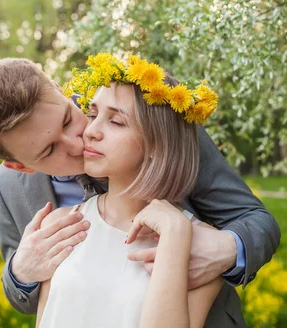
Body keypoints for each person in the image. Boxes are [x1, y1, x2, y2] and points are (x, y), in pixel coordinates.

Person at [0, 55, 281, 327]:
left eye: (68, 119)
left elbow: (255, 219)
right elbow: (30, 299)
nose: (81, 139)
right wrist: (21, 272)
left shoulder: (143, 119)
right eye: (50, 150)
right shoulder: (11, 187)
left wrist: (221, 249)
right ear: (20, 166)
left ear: (57, 89)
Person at [37, 56, 226, 327]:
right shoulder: (60, 225)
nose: (91, 131)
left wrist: (175, 233)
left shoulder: (203, 246)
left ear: (157, 146)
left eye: (116, 121)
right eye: (92, 114)